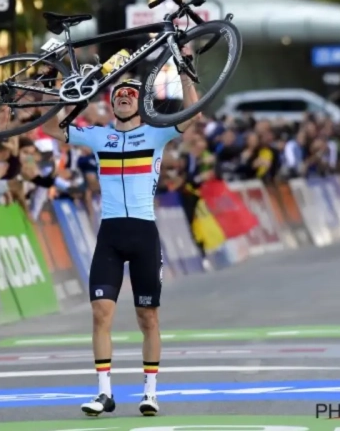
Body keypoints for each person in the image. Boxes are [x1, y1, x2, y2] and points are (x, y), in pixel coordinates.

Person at [40, 51, 198, 417]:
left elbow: (194, 114)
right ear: (111, 104)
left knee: (149, 319)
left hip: (144, 233)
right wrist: (57, 88)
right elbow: (52, 129)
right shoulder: (99, 137)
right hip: (110, 234)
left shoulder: (156, 134)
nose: (123, 96)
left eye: (130, 93)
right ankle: (104, 393)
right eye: (118, 94)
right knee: (100, 313)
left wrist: (186, 73)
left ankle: (150, 392)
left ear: (140, 103)